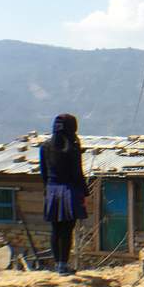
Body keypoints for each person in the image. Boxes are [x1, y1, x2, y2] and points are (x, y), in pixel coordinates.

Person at [40, 113, 88, 275]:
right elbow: (77, 173)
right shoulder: (73, 147)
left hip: (52, 190)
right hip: (70, 191)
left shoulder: (45, 146)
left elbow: (44, 173)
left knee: (56, 229)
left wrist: (48, 190)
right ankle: (63, 265)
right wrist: (84, 193)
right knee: (67, 229)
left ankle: (58, 266)